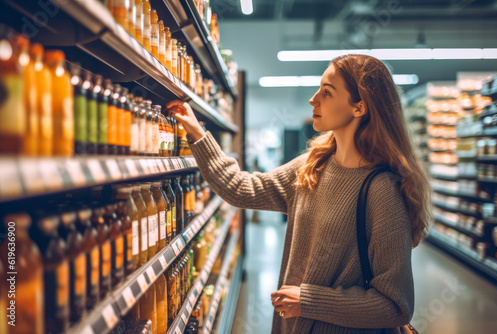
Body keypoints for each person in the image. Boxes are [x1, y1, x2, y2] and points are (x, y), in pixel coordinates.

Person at [167, 54, 431, 334]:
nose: (313, 99)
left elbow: (395, 306)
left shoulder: (383, 192)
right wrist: (197, 133)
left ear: (359, 108)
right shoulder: (312, 166)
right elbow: (241, 189)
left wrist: (309, 302)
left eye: (327, 93)